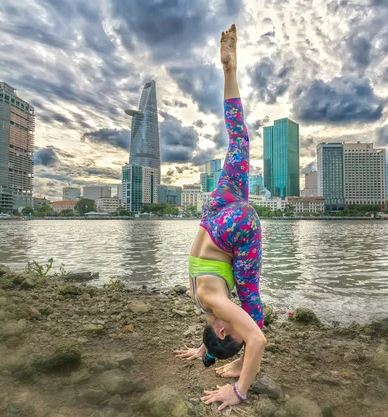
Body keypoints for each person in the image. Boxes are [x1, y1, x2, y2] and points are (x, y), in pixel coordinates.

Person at [174, 23, 266, 411]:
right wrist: (205, 351)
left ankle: (244, 374)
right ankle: (229, 69)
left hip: (239, 227)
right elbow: (216, 317)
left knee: (253, 302)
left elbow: (256, 337)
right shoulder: (202, 300)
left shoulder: (214, 302)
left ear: (224, 327)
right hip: (216, 211)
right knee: (239, 139)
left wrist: (240, 390)